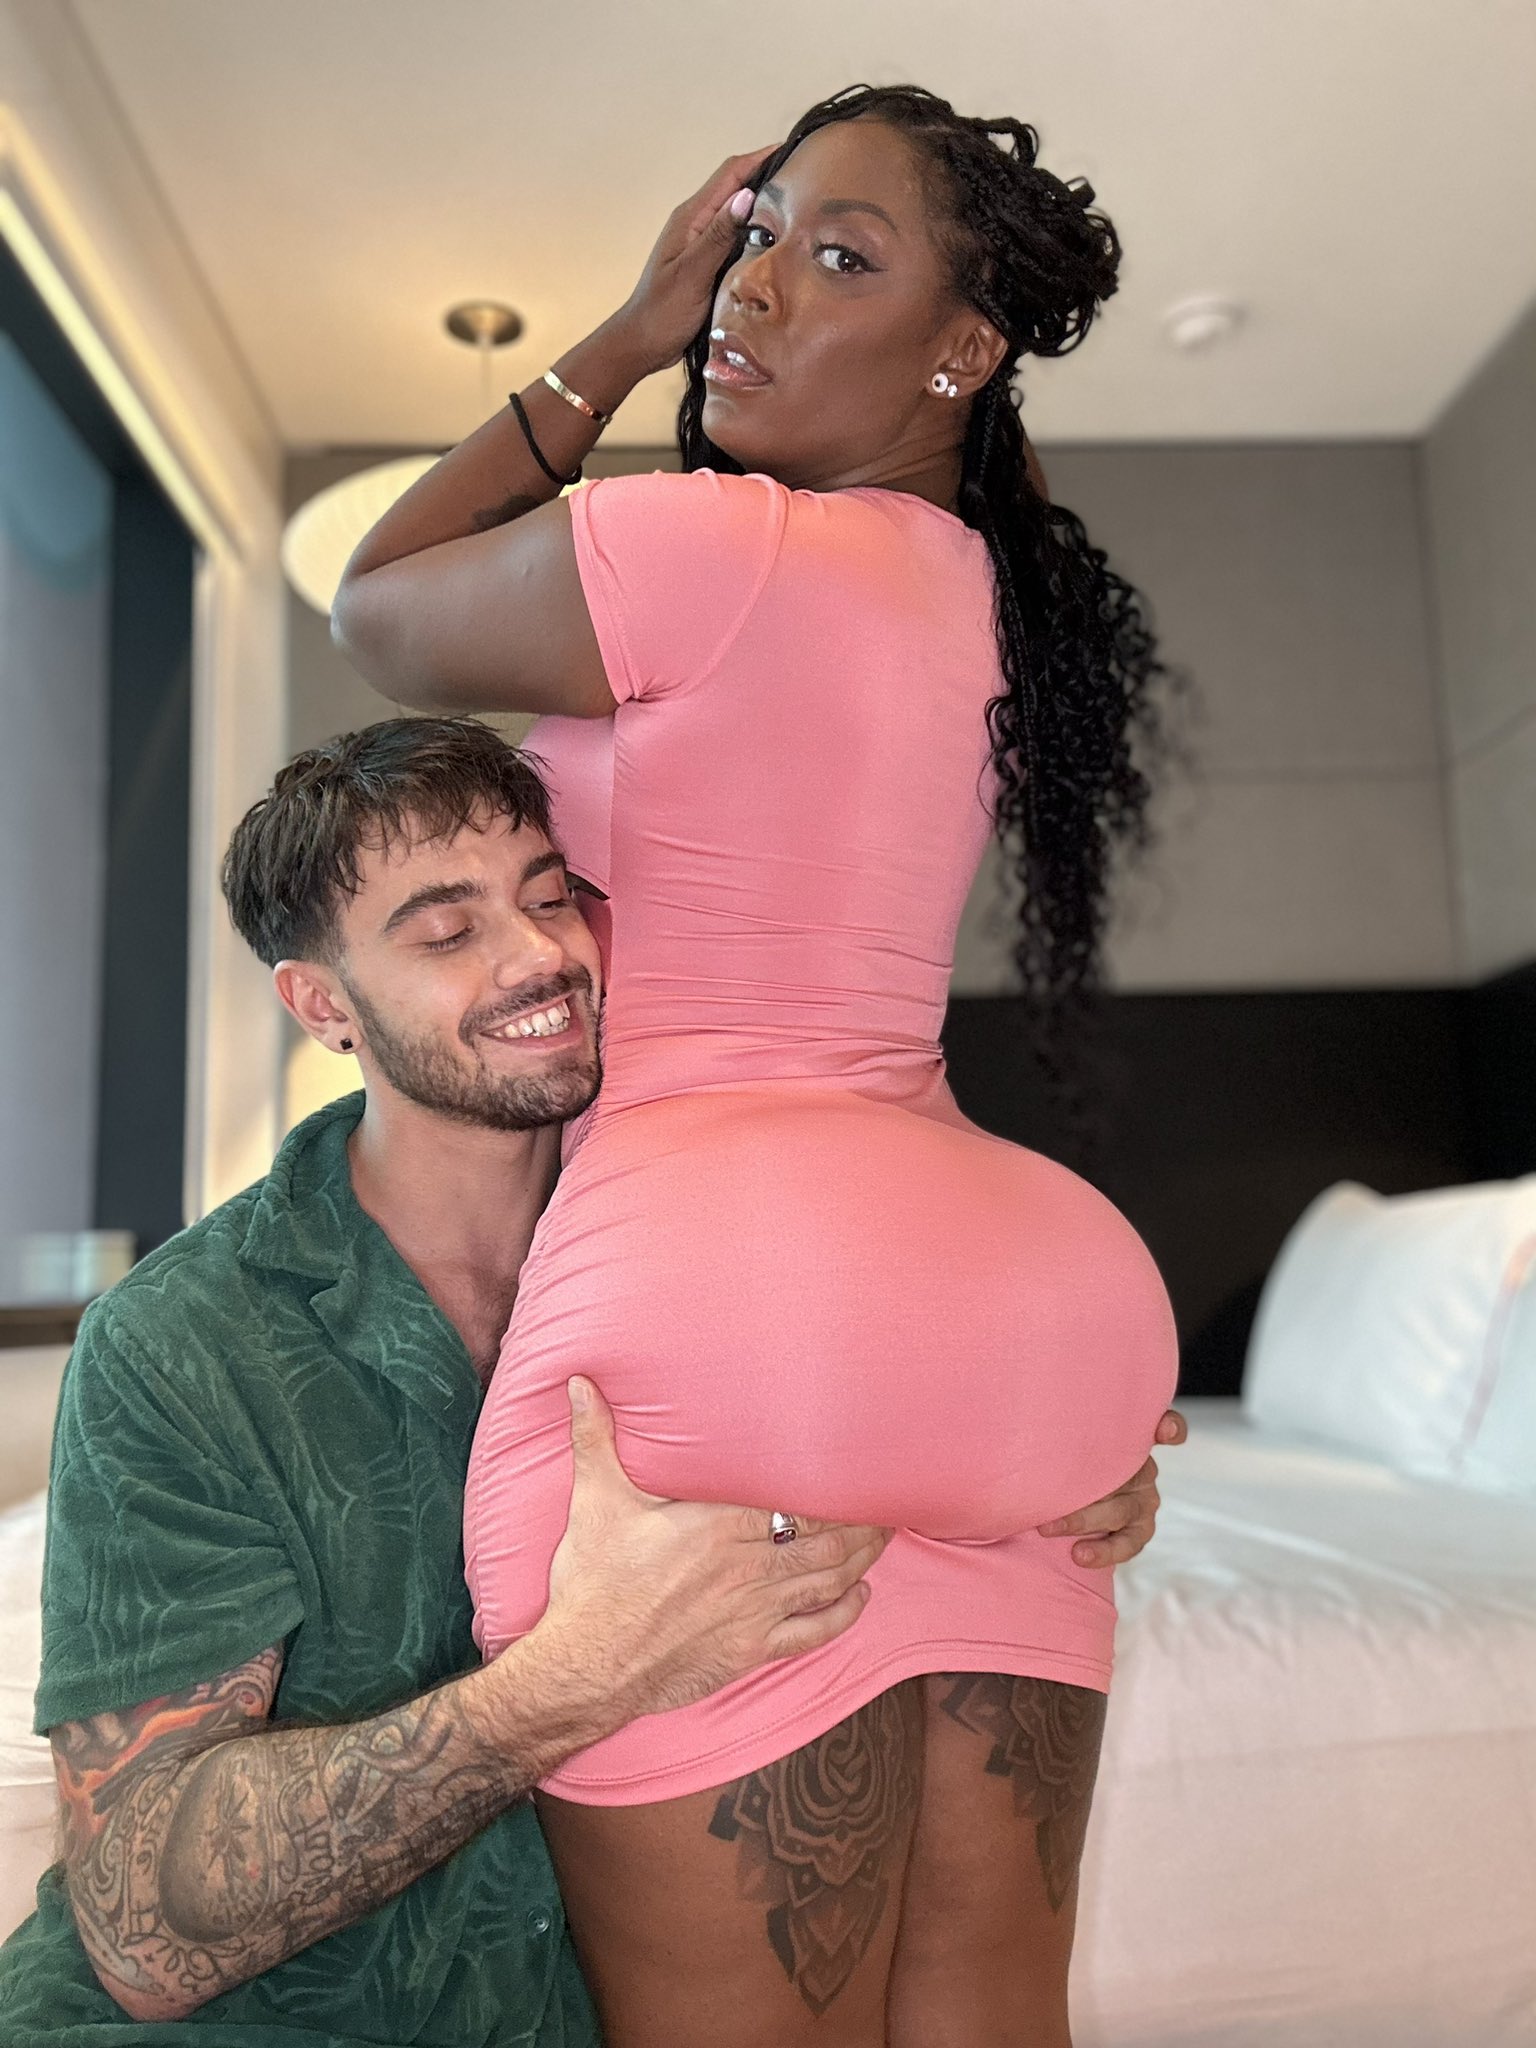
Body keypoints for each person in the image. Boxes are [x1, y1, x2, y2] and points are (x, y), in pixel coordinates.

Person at [335, 80, 1186, 2048]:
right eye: (755, 239)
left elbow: (377, 602)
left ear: (963, 350)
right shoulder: (975, 598)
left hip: (730, 1312)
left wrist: (624, 333)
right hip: (1020, 1327)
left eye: (841, 256)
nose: (753, 288)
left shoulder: (724, 548)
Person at [0, 720, 1180, 2046]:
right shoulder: (181, 1343)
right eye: (447, 933)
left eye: (551, 898)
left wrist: (1062, 1458)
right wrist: (571, 1683)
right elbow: (141, 1930)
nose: (538, 956)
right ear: (323, 1005)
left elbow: (894, 1443)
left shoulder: (737, 1239)